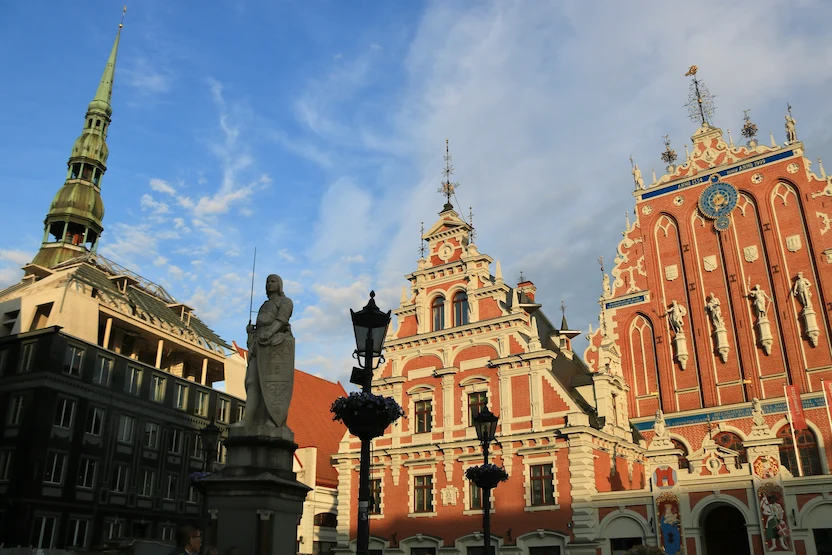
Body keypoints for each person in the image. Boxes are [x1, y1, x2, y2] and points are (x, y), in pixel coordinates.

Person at [242, 274, 295, 428]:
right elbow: (260, 326)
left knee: (270, 383)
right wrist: (251, 332)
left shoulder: (285, 301)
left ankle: (272, 419)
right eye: (267, 282)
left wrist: (270, 332)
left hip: (273, 344)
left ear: (279, 284)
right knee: (252, 382)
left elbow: (282, 319)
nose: (269, 284)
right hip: (258, 343)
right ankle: (248, 420)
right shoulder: (264, 305)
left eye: (273, 281)